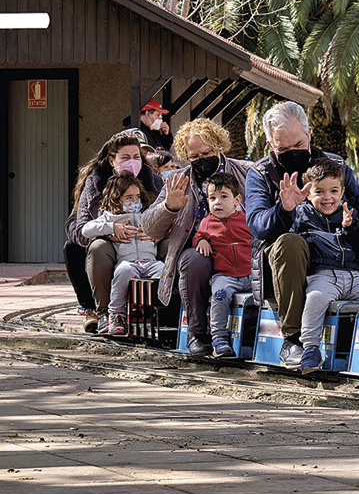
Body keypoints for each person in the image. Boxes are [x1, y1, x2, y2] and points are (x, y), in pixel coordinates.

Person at [245, 102, 359, 368]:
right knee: (288, 242)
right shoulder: (260, 173)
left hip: (342, 257)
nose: (292, 152)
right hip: (290, 260)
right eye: (282, 148)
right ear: (270, 144)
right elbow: (258, 225)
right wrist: (284, 209)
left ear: (309, 134)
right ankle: (293, 338)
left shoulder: (335, 165)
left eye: (298, 144)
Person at [141, 118, 253, 357]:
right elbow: (149, 229)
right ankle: (198, 334)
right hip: (199, 249)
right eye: (194, 156)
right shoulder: (176, 180)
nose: (202, 159)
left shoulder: (246, 172)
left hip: (241, 248)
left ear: (219, 146)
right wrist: (168, 208)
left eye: (207, 152)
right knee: (194, 261)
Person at [289, 158, 359, 374]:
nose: (327, 198)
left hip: (355, 276)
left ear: (342, 192)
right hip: (324, 274)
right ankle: (310, 347)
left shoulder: (349, 213)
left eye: (334, 191)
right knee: (316, 298)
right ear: (308, 193)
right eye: (319, 192)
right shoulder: (302, 214)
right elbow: (294, 235)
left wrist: (351, 226)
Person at [66, 132, 165, 333]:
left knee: (172, 246)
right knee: (94, 248)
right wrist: (109, 232)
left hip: (148, 248)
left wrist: (158, 232)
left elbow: (171, 217)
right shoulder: (94, 185)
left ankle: (170, 311)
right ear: (112, 160)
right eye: (125, 158)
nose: (132, 162)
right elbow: (79, 228)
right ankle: (103, 313)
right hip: (116, 248)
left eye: (136, 157)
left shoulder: (153, 182)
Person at [81, 174, 164, 336]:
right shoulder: (110, 217)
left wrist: (157, 234)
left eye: (137, 197)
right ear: (116, 199)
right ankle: (115, 313)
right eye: (129, 197)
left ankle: (160, 311)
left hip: (151, 262)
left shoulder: (146, 215)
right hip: (128, 262)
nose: (135, 201)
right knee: (123, 272)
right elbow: (86, 229)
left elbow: (167, 224)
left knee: (164, 270)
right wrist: (112, 227)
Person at [191, 172, 253, 358]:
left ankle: (254, 337)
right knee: (219, 296)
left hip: (251, 274)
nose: (217, 202)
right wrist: (201, 241)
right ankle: (219, 338)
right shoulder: (207, 222)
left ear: (237, 200)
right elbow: (198, 236)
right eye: (212, 198)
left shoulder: (246, 219)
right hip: (224, 276)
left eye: (223, 197)